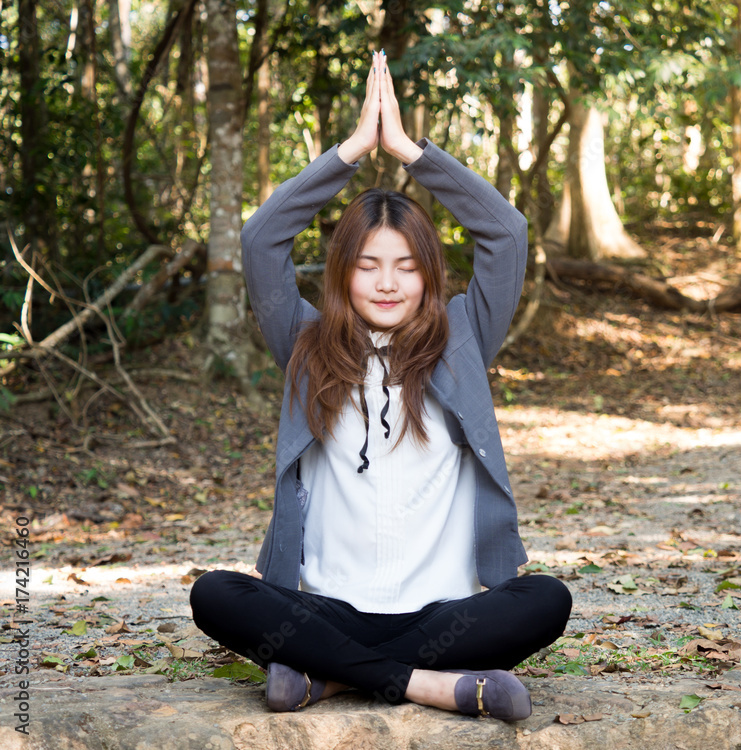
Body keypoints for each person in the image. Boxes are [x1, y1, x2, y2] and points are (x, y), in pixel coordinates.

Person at [189, 51, 572, 721]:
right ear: (343, 274)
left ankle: (327, 678)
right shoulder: (307, 345)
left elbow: (506, 234)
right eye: (368, 265)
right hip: (328, 606)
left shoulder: (463, 338)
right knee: (214, 595)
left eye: (405, 266)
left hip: (442, 614)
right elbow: (260, 241)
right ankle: (429, 685)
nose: (388, 283)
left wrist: (410, 153)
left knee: (548, 601)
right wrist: (349, 153)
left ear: (428, 275)